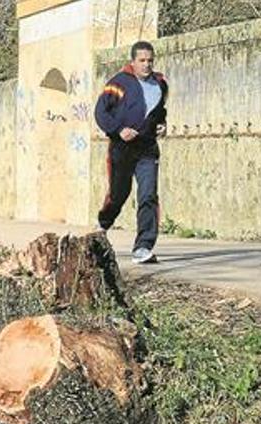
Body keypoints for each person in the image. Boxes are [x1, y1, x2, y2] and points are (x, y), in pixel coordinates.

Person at [94, 40, 168, 264]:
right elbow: (100, 112)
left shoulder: (160, 83)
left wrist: (163, 125)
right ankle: (102, 226)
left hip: (147, 149)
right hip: (121, 149)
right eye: (142, 61)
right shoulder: (118, 83)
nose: (146, 65)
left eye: (150, 61)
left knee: (148, 195)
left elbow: (159, 112)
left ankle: (143, 247)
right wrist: (118, 130)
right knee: (118, 195)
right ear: (132, 62)